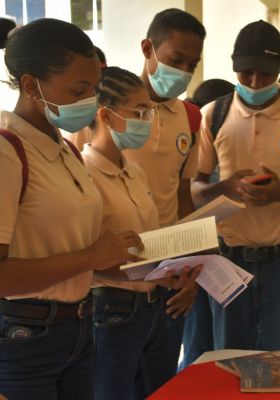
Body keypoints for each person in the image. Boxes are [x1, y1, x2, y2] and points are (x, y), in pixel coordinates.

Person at [0, 19, 142, 399]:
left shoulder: (65, 149)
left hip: (79, 327)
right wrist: (91, 256)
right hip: (24, 334)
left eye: (94, 90)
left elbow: (80, 257)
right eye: (79, 90)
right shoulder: (7, 150)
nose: (90, 102)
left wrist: (152, 274)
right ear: (31, 85)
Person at [193, 20, 280, 352]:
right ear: (233, 64)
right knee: (229, 362)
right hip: (229, 262)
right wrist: (224, 186)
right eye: (246, 73)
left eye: (266, 74)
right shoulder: (213, 114)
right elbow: (194, 192)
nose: (255, 82)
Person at [82, 66, 201, 399]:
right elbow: (85, 258)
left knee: (157, 392)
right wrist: (147, 269)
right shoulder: (84, 173)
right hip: (110, 308)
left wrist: (177, 267)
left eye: (149, 110)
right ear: (106, 115)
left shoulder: (133, 171)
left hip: (154, 304)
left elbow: (149, 242)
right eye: (139, 112)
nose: (148, 119)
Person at [123, 8, 206, 377]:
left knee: (161, 383)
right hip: (115, 275)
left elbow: (183, 198)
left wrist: (191, 270)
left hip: (169, 276)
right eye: (176, 60)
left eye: (192, 64)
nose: (184, 72)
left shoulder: (190, 117)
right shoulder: (106, 108)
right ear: (148, 48)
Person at [180, 77, 235, 370]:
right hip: (200, 255)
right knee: (201, 343)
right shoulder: (192, 148)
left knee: (207, 343)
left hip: (210, 256)